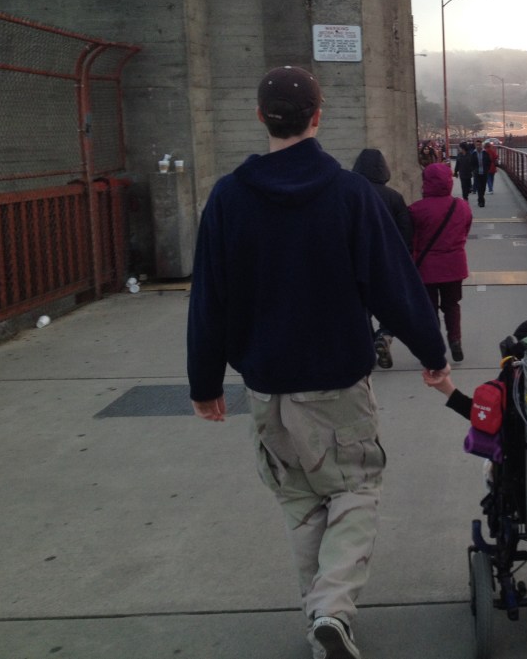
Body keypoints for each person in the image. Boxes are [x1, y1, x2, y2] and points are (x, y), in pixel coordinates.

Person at [187, 65, 454, 659]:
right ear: (318, 115)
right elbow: (394, 285)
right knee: (356, 489)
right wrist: (433, 354)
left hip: (267, 385)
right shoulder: (350, 195)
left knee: (301, 502)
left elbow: (209, 297)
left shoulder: (228, 199)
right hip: (337, 381)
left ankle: (323, 622)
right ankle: (332, 613)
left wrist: (204, 384)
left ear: (261, 117)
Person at [351, 148, 413, 370]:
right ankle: (385, 334)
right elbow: (405, 232)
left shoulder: (349, 195)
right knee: (391, 304)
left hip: (356, 263)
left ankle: (368, 346)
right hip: (386, 262)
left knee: (361, 309)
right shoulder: (394, 197)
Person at [410, 161, 473, 363]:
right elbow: (465, 231)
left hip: (426, 268)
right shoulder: (461, 206)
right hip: (454, 265)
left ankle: (435, 346)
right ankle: (455, 340)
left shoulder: (416, 210)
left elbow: (412, 240)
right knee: (452, 305)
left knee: (429, 308)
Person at [471, 138, 493, 207]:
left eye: (479, 145)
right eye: (477, 145)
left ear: (481, 145)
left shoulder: (485, 153)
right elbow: (471, 163)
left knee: (483, 187)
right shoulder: (473, 153)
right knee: (479, 187)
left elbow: (489, 162)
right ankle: (481, 201)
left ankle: (481, 198)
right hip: (477, 173)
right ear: (475, 145)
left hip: (484, 172)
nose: (478, 146)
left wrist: (487, 169)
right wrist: (473, 170)